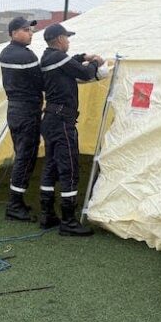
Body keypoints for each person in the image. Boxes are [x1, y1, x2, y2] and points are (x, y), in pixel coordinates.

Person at [40, 23, 104, 236]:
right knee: (69, 168)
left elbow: (70, 63)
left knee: (50, 166)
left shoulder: (48, 57)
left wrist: (82, 56)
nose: (68, 41)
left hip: (50, 119)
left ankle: (47, 214)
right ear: (59, 39)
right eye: (67, 38)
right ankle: (68, 221)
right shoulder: (58, 57)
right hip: (62, 121)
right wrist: (95, 62)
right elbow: (85, 73)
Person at [0, 16, 42, 222]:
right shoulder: (25, 56)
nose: (30, 33)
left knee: (22, 155)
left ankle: (17, 202)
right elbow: (42, 81)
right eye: (26, 30)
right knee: (26, 157)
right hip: (27, 112)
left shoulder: (6, 52)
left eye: (30, 30)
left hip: (15, 110)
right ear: (14, 33)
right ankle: (14, 205)